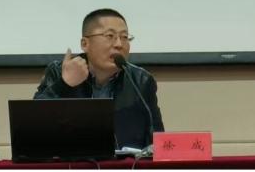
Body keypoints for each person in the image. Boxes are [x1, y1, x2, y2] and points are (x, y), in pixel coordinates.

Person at [34, 8, 164, 149]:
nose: (119, 44)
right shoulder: (60, 72)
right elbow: (32, 127)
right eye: (110, 36)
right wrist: (64, 84)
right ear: (85, 44)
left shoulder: (141, 80)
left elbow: (157, 140)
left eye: (125, 37)